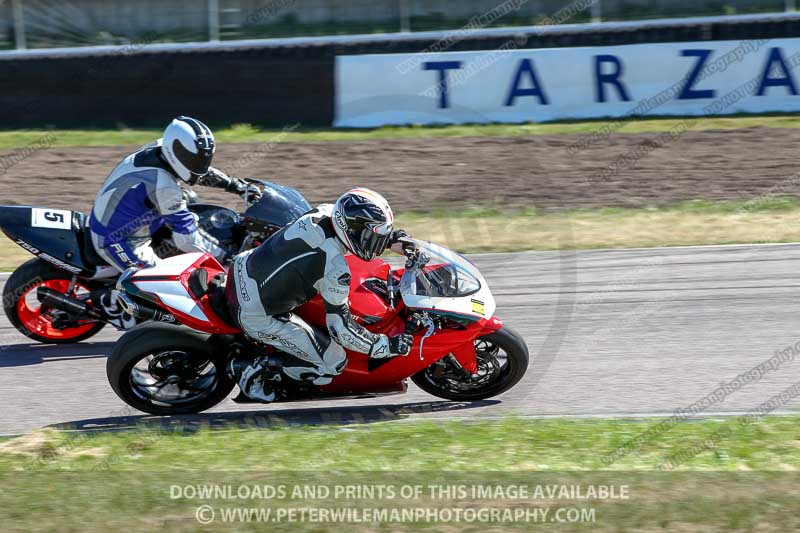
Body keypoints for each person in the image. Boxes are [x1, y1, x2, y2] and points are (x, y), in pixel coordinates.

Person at [227, 187, 414, 402]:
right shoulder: (334, 266)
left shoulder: (326, 212)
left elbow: (355, 232)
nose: (372, 242)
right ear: (350, 228)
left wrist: (389, 239)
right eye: (371, 236)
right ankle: (254, 370)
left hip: (243, 266)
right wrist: (384, 346)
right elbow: (342, 330)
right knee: (333, 361)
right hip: (257, 313)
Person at [89, 116, 261, 272]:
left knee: (189, 199)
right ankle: (112, 302)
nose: (197, 165)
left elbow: (200, 173)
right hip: (117, 239)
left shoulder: (160, 147)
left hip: (135, 218)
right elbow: (186, 238)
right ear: (176, 150)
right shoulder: (163, 186)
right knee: (159, 284)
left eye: (201, 160)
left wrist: (236, 185)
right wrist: (226, 256)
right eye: (193, 160)